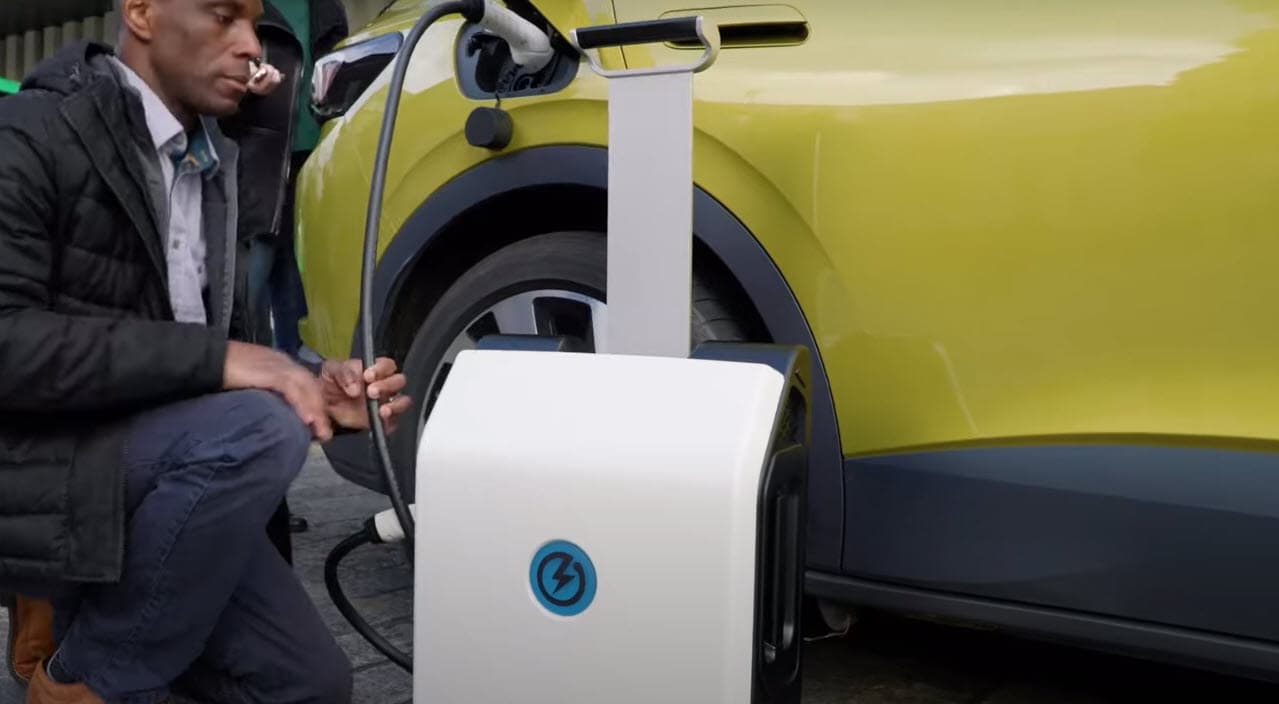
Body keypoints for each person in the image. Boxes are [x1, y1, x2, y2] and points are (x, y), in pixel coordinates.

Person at [0, 0, 413, 702]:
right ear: (141, 11)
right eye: (224, 17)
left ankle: (106, 660)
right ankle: (79, 681)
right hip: (46, 468)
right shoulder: (34, 130)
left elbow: (197, 356)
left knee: (309, 683)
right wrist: (228, 364)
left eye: (254, 24)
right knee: (256, 430)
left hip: (159, 465)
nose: (252, 46)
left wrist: (308, 384)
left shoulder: (213, 165)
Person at [220, 0, 350, 561]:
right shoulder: (248, 10)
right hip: (255, 189)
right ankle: (250, 490)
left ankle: (275, 487)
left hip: (317, 178)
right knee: (244, 334)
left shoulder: (326, 9)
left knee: (302, 339)